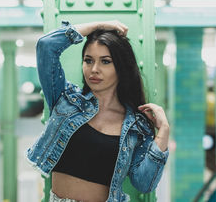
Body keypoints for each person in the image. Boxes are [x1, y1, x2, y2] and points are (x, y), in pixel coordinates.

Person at [26, 20, 170, 202]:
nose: (94, 69)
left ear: (121, 67)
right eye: (88, 60)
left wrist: (163, 132)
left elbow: (144, 183)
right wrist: (96, 27)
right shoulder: (67, 100)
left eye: (105, 61)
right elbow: (46, 47)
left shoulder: (136, 126)